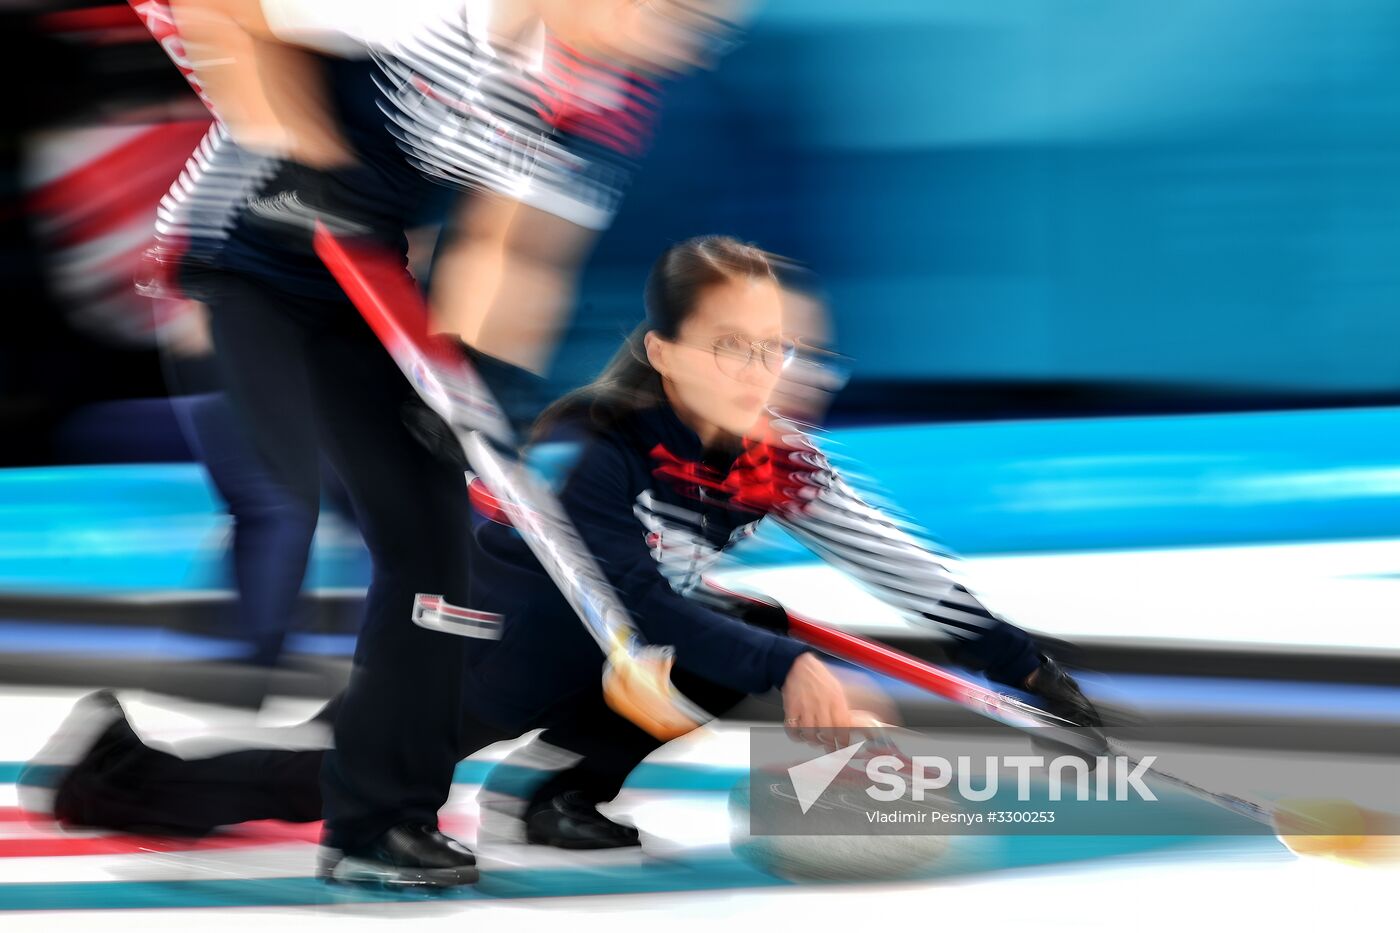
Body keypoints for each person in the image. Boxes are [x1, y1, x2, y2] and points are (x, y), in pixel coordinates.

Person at [23, 236, 1101, 877]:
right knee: (331, 777)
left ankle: (560, 796)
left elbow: (901, 565)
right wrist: (792, 669)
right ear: (667, 351)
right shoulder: (597, 443)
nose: (761, 371)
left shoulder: (778, 460)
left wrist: (1021, 664)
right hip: (485, 648)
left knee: (750, 632)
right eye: (731, 345)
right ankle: (112, 777)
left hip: (599, 657)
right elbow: (628, 601)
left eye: (776, 349)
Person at [137, 0, 751, 888]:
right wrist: (303, 148)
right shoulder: (424, 10)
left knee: (435, 553)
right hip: (244, 256)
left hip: (364, 283)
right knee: (282, 496)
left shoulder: (596, 98)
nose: (685, 45)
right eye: (674, 14)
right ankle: (205, 720)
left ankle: (381, 823)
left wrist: (479, 376)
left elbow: (516, 247)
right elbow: (220, 13)